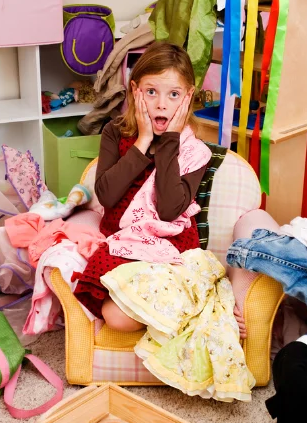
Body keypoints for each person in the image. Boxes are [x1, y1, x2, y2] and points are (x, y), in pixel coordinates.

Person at [73, 42, 247, 336]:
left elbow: (168, 211)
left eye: (174, 94)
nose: (161, 104)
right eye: (151, 92)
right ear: (134, 90)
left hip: (170, 248)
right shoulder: (115, 133)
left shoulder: (194, 150)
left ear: (188, 97)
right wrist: (142, 141)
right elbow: (107, 195)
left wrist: (169, 143)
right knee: (117, 318)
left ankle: (193, 309)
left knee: (125, 314)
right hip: (123, 245)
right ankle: (184, 314)